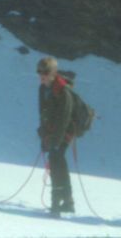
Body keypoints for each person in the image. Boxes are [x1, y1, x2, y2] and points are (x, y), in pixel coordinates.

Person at [36, 56, 75, 216]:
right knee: (58, 162)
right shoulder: (42, 89)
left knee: (56, 162)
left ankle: (56, 203)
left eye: (45, 72)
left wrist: (55, 141)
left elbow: (64, 118)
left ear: (53, 73)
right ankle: (67, 201)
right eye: (39, 72)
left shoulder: (63, 91)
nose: (42, 75)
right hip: (52, 133)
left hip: (63, 133)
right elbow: (43, 113)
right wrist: (44, 134)